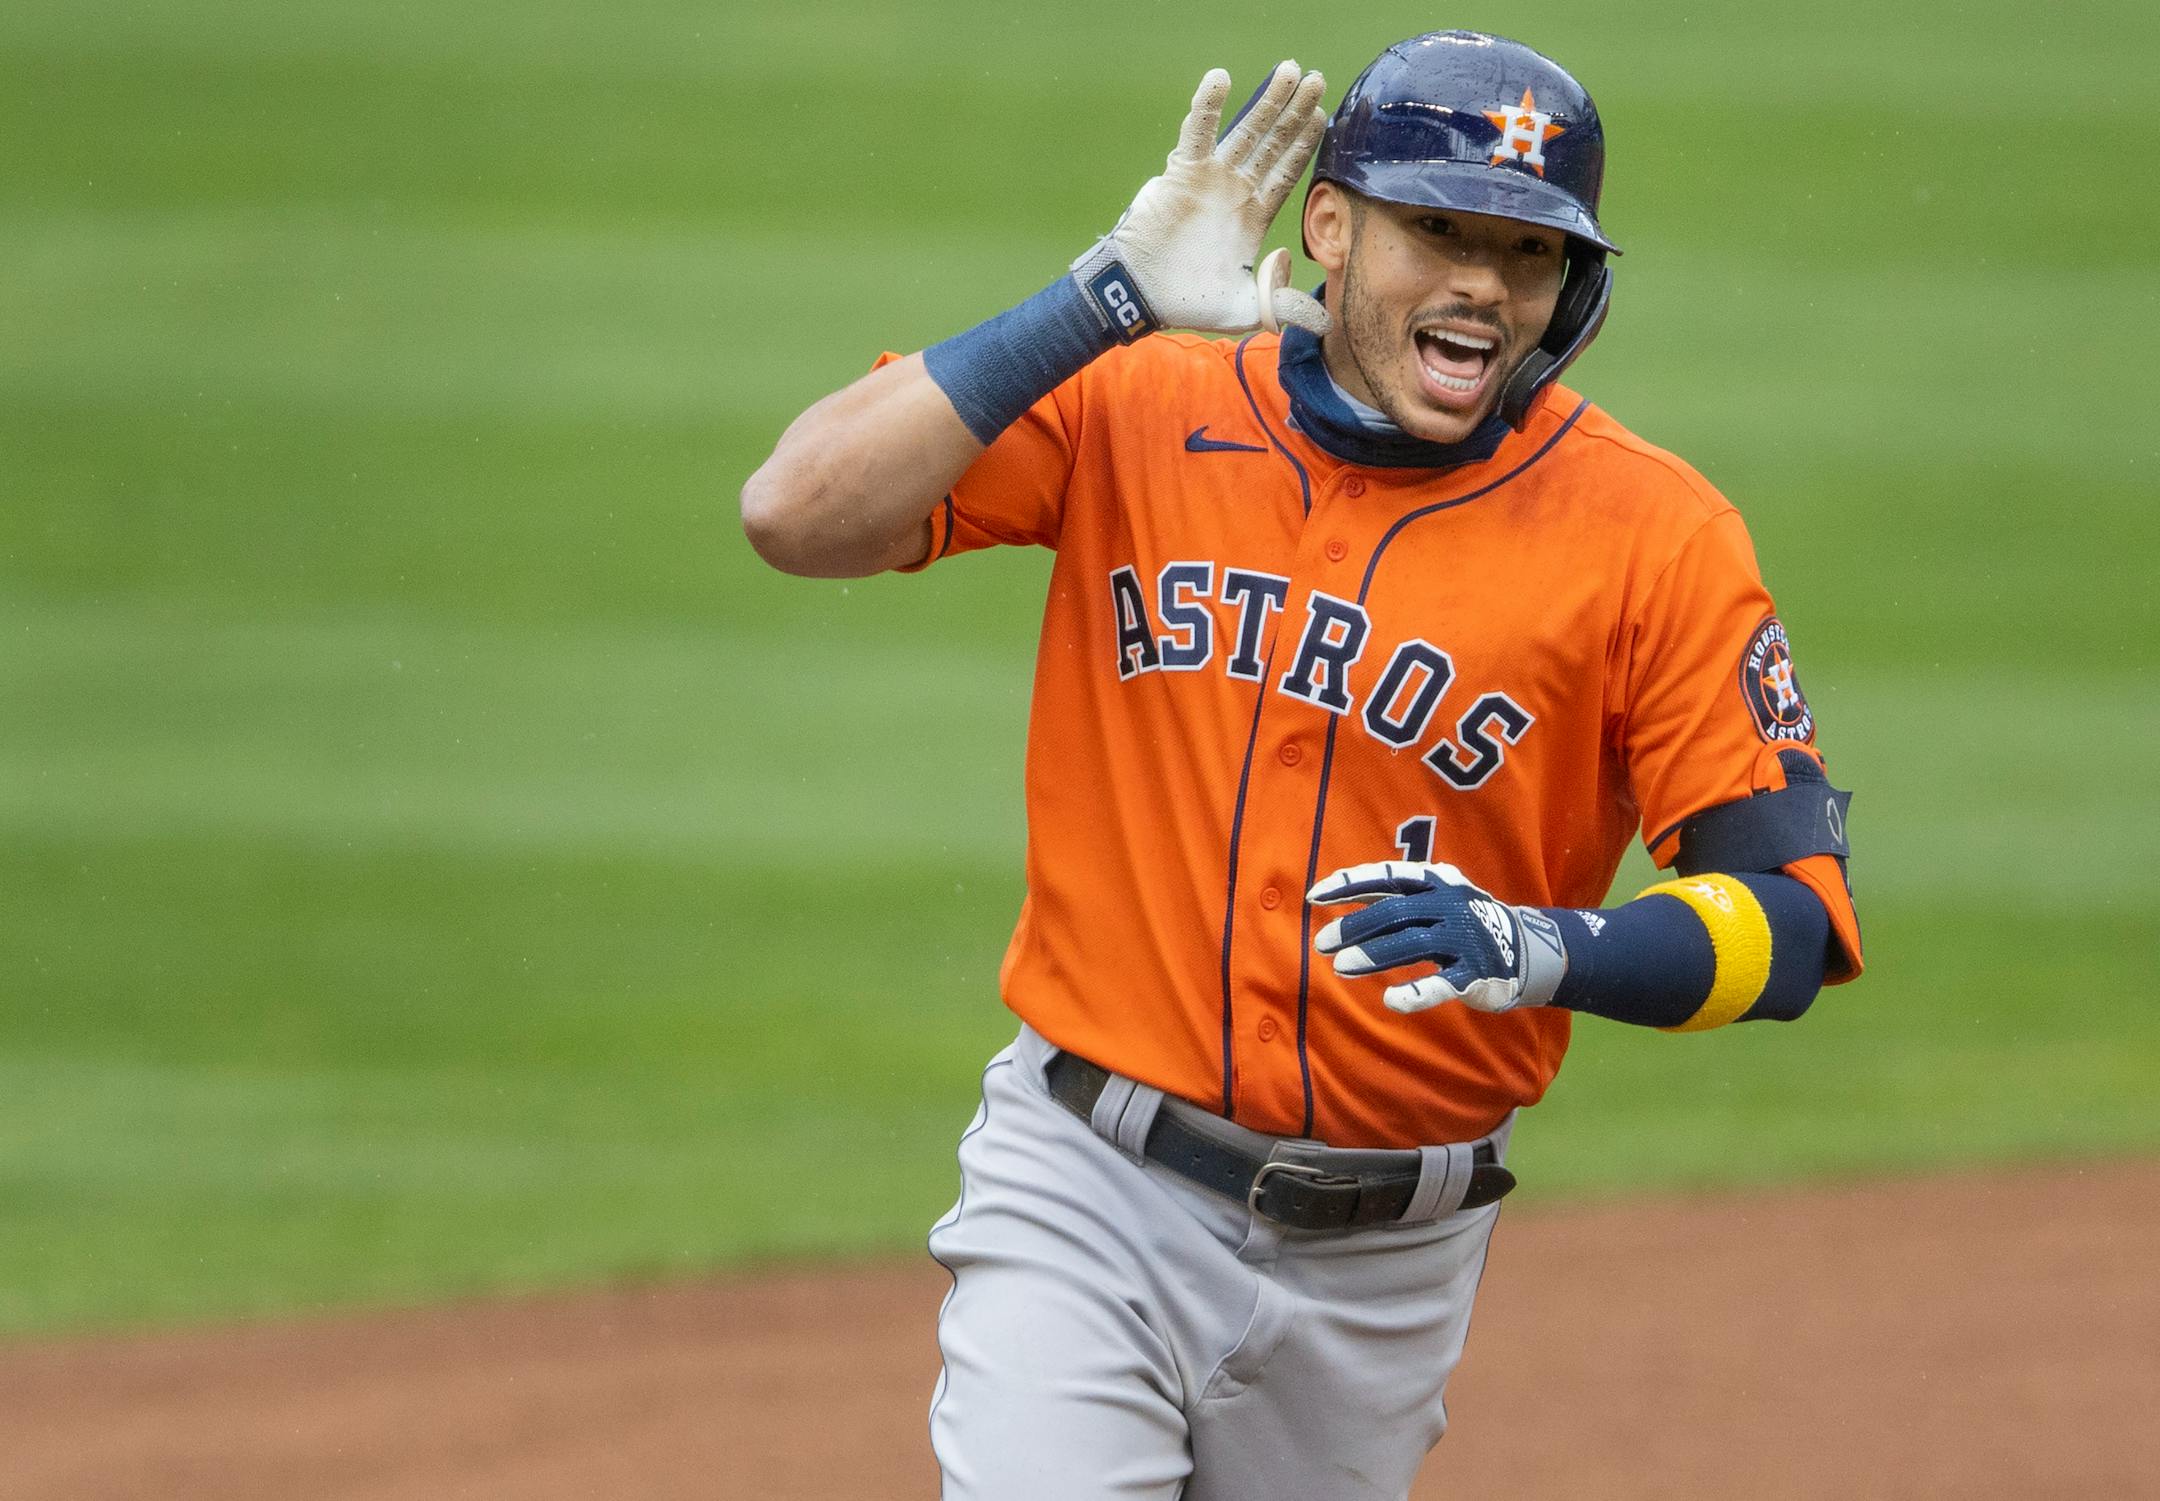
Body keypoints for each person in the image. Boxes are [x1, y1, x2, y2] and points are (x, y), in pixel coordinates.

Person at [742, 30, 1862, 1501]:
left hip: (1392, 1265)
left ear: (1573, 283)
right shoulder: (1146, 401)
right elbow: (795, 511)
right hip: (1091, 1188)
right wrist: (1102, 304)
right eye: (1438, 229)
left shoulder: (1655, 536)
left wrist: (1547, 947)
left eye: (1526, 250)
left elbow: (1792, 918)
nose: (1483, 282)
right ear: (1328, 228)